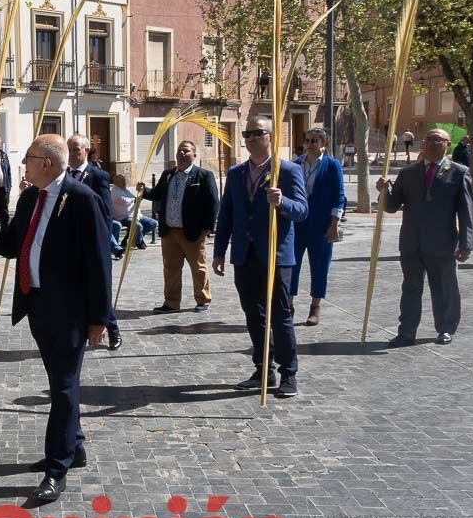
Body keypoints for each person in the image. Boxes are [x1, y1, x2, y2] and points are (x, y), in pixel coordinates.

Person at [0, 134, 110, 502]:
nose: (23, 165)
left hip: (70, 313)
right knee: (61, 382)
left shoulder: (83, 200)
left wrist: (100, 318)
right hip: (37, 306)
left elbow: (99, 264)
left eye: (29, 158)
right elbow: (15, 243)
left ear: (47, 164)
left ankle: (56, 466)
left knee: (63, 388)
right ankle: (74, 445)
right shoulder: (31, 196)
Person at [213, 117, 308, 398]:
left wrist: (283, 202)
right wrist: (219, 251)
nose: (252, 138)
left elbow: (303, 210)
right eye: (247, 133)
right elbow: (226, 214)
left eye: (258, 133)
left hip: (275, 256)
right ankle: (262, 368)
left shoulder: (288, 171)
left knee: (280, 316)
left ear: (270, 136)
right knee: (253, 316)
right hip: (244, 255)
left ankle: (288, 372)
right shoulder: (235, 173)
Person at [376, 129, 473, 347]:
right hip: (412, 243)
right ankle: (406, 332)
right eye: (427, 139)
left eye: (436, 139)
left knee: (444, 289)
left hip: (442, 244)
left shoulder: (459, 172)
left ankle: (446, 329)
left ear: (446, 144)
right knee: (410, 288)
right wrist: (383, 191)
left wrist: (466, 244)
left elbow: (466, 212)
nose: (429, 143)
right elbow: (391, 207)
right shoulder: (408, 172)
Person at [136, 140, 219, 314]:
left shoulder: (203, 176)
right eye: (180, 150)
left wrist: (208, 227)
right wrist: (144, 191)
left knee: (198, 267)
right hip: (169, 231)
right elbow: (157, 194)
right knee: (170, 268)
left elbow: (213, 203)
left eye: (186, 151)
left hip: (193, 231)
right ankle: (172, 302)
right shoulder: (168, 174)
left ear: (194, 155)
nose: (182, 153)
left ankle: (203, 299)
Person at [66, 134, 121, 351]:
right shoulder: (63, 176)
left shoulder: (98, 176)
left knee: (99, 287)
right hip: (70, 245)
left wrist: (103, 242)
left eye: (76, 149)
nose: (71, 153)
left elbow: (106, 213)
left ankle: (113, 328)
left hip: (92, 242)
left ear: (86, 151)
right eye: (68, 149)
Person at [290, 128, 346, 326]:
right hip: (296, 224)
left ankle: (315, 306)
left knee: (320, 265)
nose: (310, 144)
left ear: (323, 143)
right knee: (291, 264)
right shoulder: (296, 164)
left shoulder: (332, 165)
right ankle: (288, 304)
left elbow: (339, 196)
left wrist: (334, 223)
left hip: (321, 224)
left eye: (314, 140)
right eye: (307, 140)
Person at [110, 174, 156, 253]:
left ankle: (131, 240)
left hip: (136, 215)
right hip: (124, 217)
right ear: (115, 182)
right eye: (121, 180)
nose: (124, 182)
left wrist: (141, 192)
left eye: (124, 180)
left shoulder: (125, 190)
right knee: (138, 226)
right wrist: (139, 195)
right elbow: (128, 201)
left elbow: (136, 200)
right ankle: (139, 242)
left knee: (153, 223)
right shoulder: (115, 192)